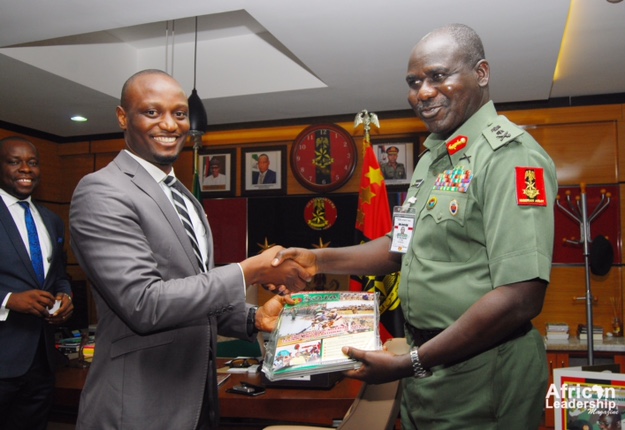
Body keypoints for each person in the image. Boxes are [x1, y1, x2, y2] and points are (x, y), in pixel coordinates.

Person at [273, 23, 557, 429]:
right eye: (414, 82)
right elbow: (399, 247)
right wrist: (317, 259)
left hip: (486, 375)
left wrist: (412, 362)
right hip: (429, 370)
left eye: (438, 76)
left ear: (481, 73)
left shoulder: (509, 157)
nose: (422, 92)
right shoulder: (431, 161)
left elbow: (521, 297)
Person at [69, 69, 310, 429]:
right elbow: (144, 304)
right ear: (122, 117)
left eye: (179, 113)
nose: (170, 124)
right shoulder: (102, 191)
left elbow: (194, 296)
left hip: (198, 400)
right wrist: (249, 271)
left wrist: (253, 318)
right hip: (139, 406)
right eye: (152, 112)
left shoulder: (184, 197)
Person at [0, 136, 74, 430]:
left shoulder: (51, 220)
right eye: (14, 162)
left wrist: (65, 297)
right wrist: (7, 299)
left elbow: (60, 275)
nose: (26, 169)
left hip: (41, 362)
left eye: (32, 162)